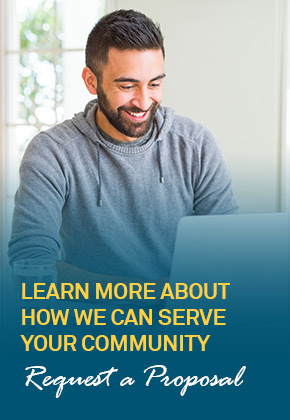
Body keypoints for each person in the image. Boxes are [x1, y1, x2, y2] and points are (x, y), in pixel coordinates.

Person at [8, 9, 238, 290]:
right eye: (127, 86)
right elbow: (31, 262)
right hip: (89, 322)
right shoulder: (53, 152)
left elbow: (229, 251)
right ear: (91, 81)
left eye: (154, 84)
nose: (143, 102)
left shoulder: (196, 145)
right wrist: (149, 295)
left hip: (183, 321)